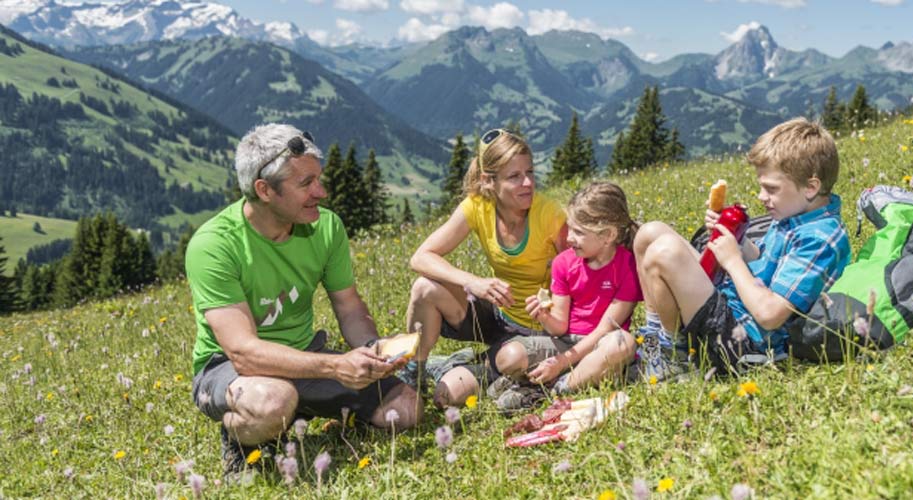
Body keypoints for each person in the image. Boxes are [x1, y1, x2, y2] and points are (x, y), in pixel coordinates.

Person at [185, 124, 421, 477]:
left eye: (318, 179)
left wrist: (373, 350)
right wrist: (334, 366)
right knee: (272, 402)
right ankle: (243, 440)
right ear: (264, 190)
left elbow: (349, 307)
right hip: (230, 370)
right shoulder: (214, 246)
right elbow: (243, 352)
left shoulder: (326, 228)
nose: (321, 192)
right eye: (305, 184)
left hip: (305, 356)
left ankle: (307, 411)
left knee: (407, 411)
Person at [634, 118, 851, 373]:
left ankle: (673, 358)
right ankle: (653, 340)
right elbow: (763, 259)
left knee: (665, 251)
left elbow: (770, 315)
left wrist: (732, 261)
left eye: (771, 189)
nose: (761, 197)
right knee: (649, 234)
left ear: (811, 187)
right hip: (731, 306)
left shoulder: (820, 239)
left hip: (745, 342)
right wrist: (734, 238)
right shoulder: (793, 215)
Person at [405, 128, 567, 408]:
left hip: (540, 329)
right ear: (488, 181)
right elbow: (421, 257)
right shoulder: (478, 206)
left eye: (530, 172)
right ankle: (413, 375)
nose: (527, 183)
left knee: (447, 398)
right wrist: (472, 282)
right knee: (424, 288)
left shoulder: (550, 215)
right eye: (514, 177)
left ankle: (478, 367)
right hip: (497, 316)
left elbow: (584, 277)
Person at [492, 182, 641, 408]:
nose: (569, 238)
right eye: (570, 228)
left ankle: (553, 389)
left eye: (579, 232)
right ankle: (546, 380)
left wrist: (560, 364)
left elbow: (605, 330)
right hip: (564, 342)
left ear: (608, 235)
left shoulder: (628, 266)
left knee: (623, 343)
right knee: (508, 356)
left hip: (601, 346)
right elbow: (559, 327)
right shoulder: (564, 263)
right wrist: (544, 316)